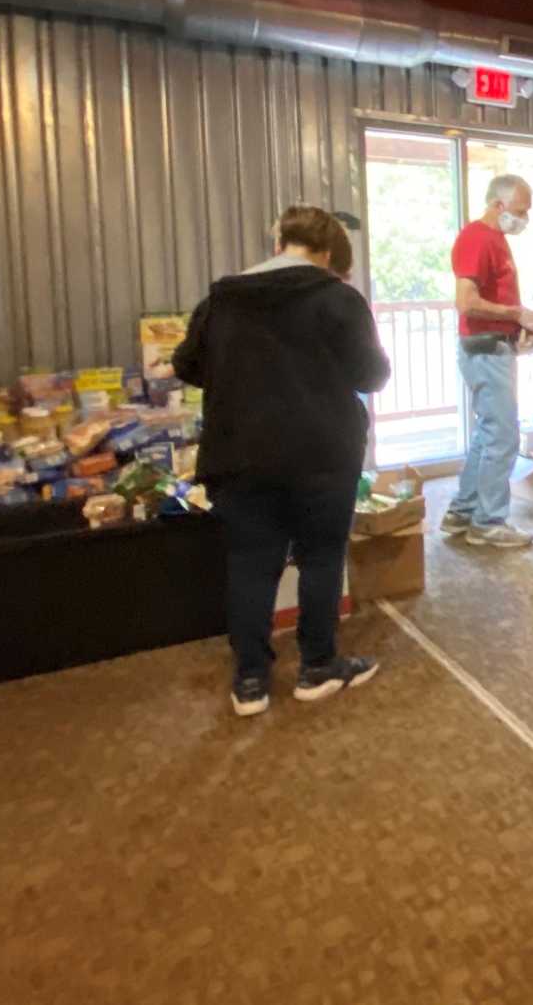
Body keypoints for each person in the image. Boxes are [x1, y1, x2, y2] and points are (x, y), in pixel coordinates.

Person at [174, 205, 391, 717]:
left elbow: (188, 365)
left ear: (279, 245)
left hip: (240, 452)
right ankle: (317, 667)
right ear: (330, 255)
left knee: (251, 563)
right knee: (320, 557)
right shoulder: (338, 299)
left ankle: (250, 680)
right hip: (322, 451)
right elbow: (371, 375)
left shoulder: (223, 299)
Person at [444, 173, 533, 549]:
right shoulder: (477, 238)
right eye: (520, 211)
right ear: (498, 205)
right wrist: (515, 314)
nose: (524, 219)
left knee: (487, 436)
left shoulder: (495, 239)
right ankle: (488, 521)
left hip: (493, 345)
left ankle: (464, 511)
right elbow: (466, 302)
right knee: (502, 437)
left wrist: (515, 327)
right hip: (485, 350)